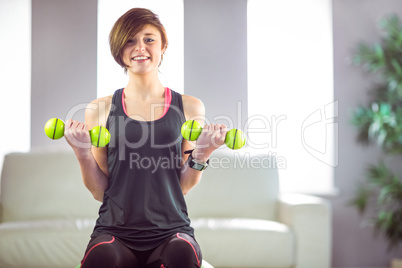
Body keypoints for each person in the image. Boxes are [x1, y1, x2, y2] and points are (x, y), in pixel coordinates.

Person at [64, 7, 227, 268]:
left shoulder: (190, 107)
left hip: (171, 231)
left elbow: (181, 186)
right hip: (115, 231)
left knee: (181, 256)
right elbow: (100, 191)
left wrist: (202, 153)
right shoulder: (100, 109)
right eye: (130, 40)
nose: (140, 47)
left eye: (149, 39)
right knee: (101, 259)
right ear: (119, 51)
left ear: (163, 46)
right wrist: (82, 152)